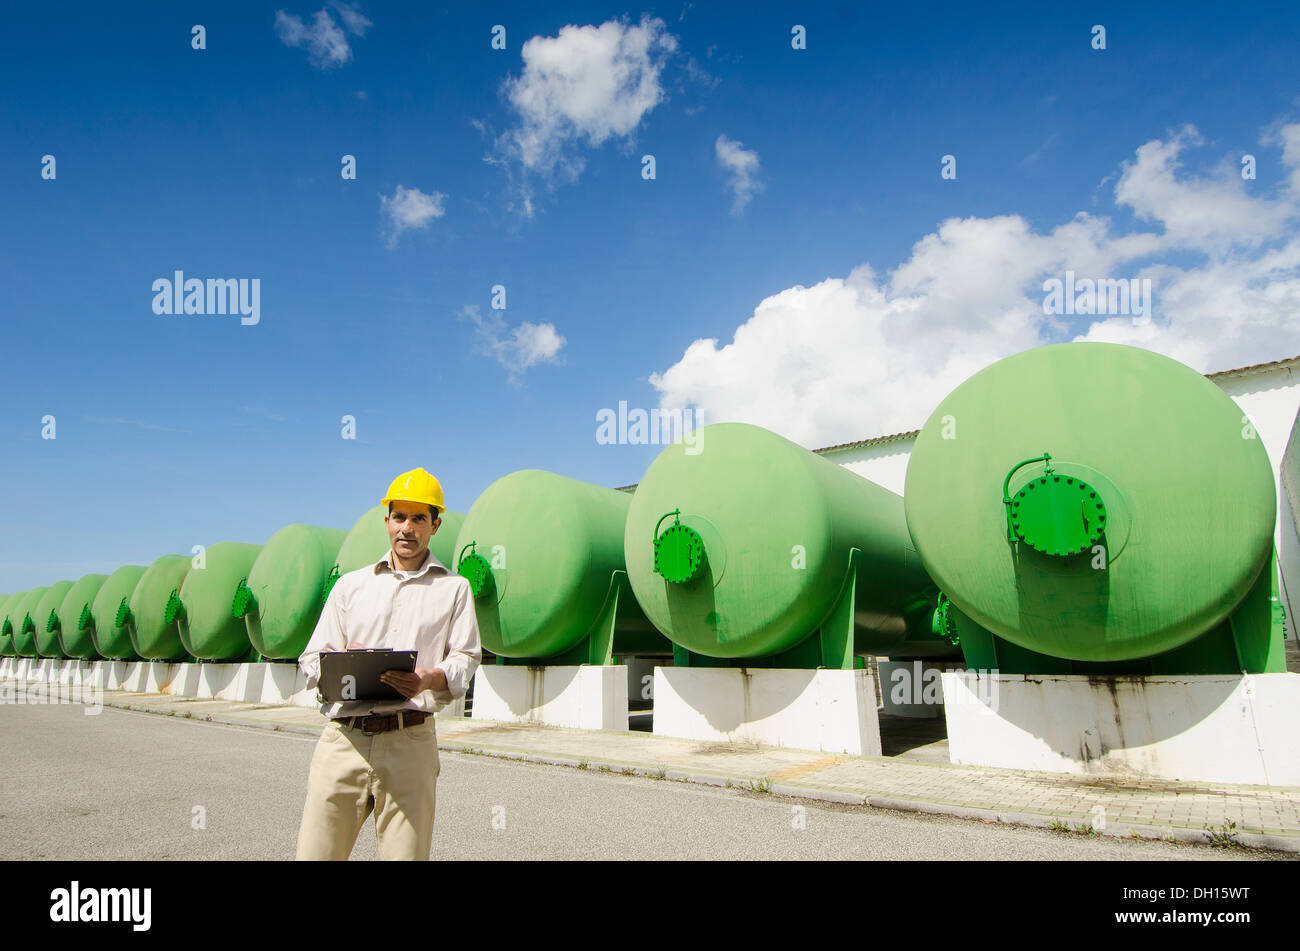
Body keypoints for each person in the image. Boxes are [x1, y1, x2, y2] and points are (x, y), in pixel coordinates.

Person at [294, 467, 481, 860]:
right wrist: (341, 663)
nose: (407, 529)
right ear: (386, 520)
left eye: (418, 518)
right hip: (343, 739)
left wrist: (429, 678)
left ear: (435, 525)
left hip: (409, 740)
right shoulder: (350, 586)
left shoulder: (454, 589)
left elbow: (466, 657)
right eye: (399, 517)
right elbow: (310, 659)